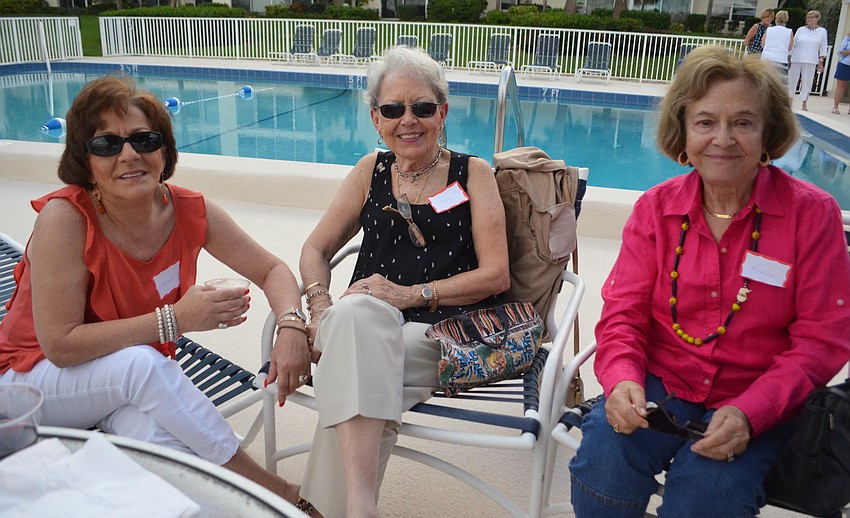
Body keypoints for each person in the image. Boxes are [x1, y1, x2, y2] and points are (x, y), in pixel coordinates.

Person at [569, 45, 850, 517]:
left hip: (759, 394)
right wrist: (620, 381)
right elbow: (623, 314)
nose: (723, 138)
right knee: (602, 460)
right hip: (662, 384)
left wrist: (750, 412)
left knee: (707, 497)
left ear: (768, 133)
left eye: (743, 122)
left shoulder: (811, 214)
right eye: (705, 122)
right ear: (683, 132)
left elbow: (822, 340)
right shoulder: (656, 210)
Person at [0, 73, 309, 503]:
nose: (129, 155)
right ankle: (281, 495)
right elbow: (60, 344)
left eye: (144, 140)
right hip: (31, 382)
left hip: (118, 384)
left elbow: (273, 268)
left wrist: (291, 327)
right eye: (106, 144)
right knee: (141, 366)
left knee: (178, 464)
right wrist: (177, 320)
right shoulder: (66, 219)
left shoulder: (186, 209)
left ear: (164, 150)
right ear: (84, 159)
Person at [267, 45, 509, 517]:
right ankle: (360, 506)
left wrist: (410, 295)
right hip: (363, 325)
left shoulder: (473, 174)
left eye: (421, 107)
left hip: (441, 331)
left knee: (358, 364)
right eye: (393, 109)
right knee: (358, 320)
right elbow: (314, 249)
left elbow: (496, 275)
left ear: (442, 112)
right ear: (376, 118)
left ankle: (328, 508)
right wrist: (319, 310)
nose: (408, 121)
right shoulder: (369, 171)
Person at [787, 10, 828, 111]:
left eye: (812, 17)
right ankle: (789, 103)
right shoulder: (801, 30)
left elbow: (823, 46)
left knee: (807, 82)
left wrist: (821, 61)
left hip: (811, 59)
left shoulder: (822, 31)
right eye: (808, 17)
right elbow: (794, 43)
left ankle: (804, 103)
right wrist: (789, 57)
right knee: (792, 81)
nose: (809, 19)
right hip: (797, 58)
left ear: (817, 19)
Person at [760, 10, 793, 76]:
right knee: (780, 82)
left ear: (776, 19)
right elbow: (790, 47)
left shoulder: (769, 30)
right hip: (781, 59)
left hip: (767, 57)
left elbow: (763, 44)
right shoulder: (789, 32)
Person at [831, 31, 850, 114]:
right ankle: (835, 107)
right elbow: (840, 51)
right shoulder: (848, 38)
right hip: (844, 64)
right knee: (841, 86)